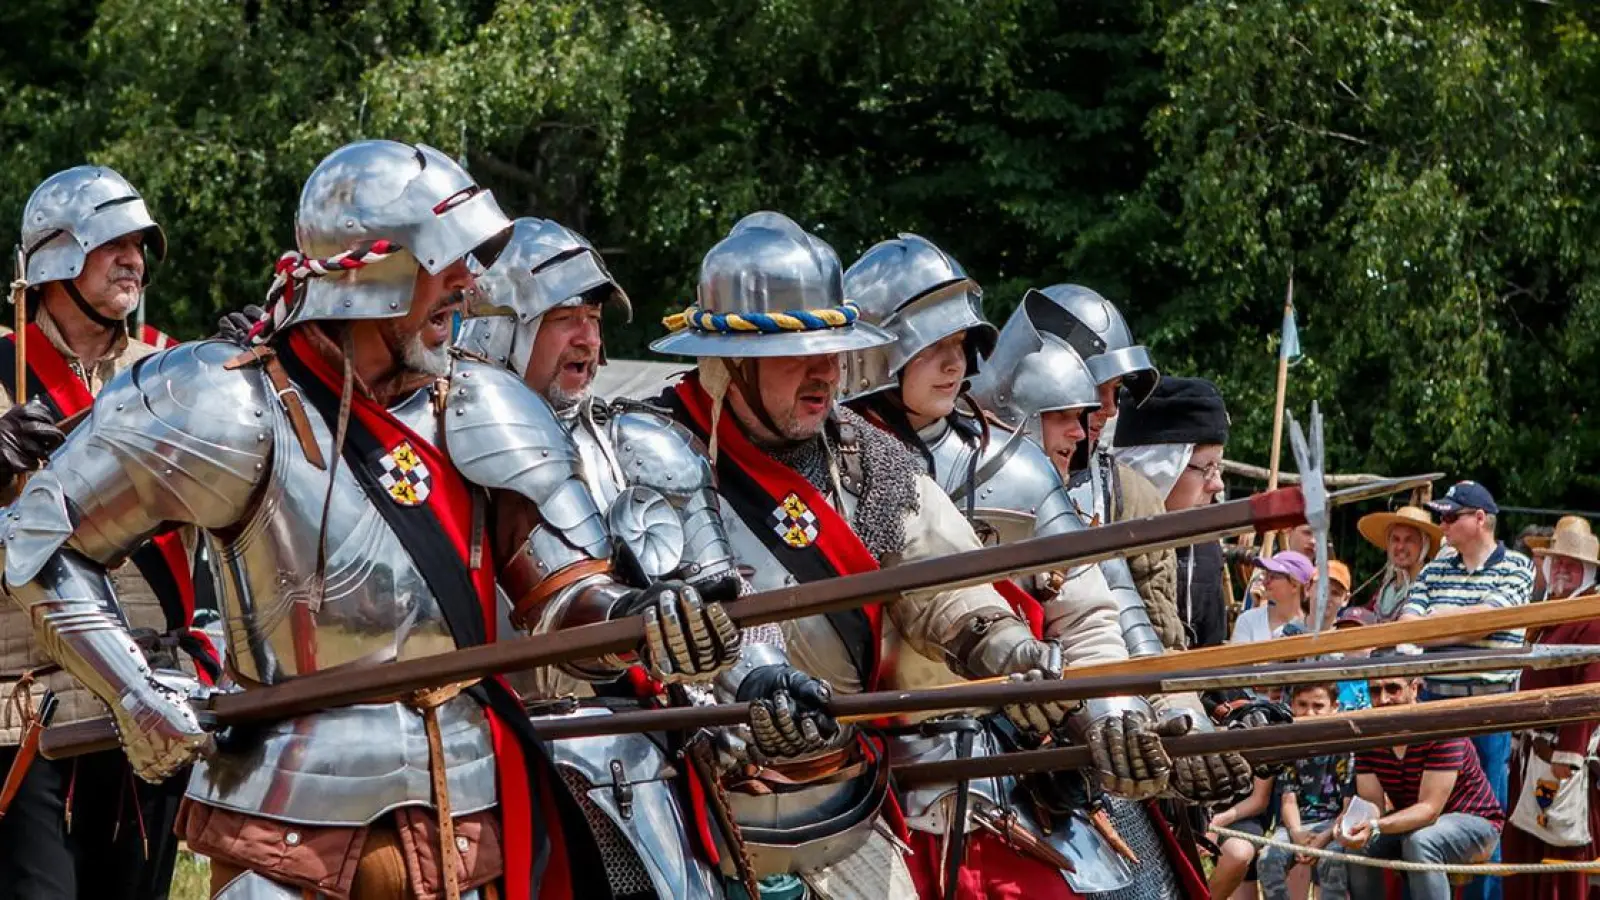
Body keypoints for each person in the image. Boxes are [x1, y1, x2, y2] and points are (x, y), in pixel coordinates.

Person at [0, 140, 745, 900]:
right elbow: (39, 538)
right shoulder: (226, 400)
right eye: (445, 261)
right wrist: (134, 691)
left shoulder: (486, 402)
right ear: (375, 275)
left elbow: (563, 594)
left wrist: (640, 617)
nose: (467, 283)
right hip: (286, 821)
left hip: (468, 811)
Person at [648, 212, 1199, 898]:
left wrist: (1012, 651)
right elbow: (643, 618)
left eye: (835, 350)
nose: (826, 373)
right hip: (689, 792)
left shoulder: (867, 459)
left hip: (839, 793)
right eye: (800, 354)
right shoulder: (652, 451)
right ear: (733, 359)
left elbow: (946, 585)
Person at [841, 234, 1242, 898]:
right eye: (934, 346)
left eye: (961, 345)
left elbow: (1092, 615)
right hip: (857, 774)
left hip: (1010, 768)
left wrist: (1125, 718)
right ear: (884, 352)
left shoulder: (1015, 467)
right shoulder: (830, 461)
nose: (956, 364)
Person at [459, 216, 835, 899]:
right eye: (563, 318)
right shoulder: (434, 451)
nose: (588, 338)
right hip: (483, 776)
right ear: (499, 327)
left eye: (594, 317)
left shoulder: (642, 445)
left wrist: (761, 680)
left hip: (640, 773)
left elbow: (719, 602)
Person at [0, 164, 223, 900]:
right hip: (27, 707)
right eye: (114, 244)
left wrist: (255, 373)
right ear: (57, 258)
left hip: (150, 693)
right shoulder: (0, 366)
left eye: (139, 246)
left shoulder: (172, 370)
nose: (134, 260)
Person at [971, 284, 1185, 652]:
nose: (1110, 409)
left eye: (1116, 390)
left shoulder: (1122, 492)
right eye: (1099, 389)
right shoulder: (958, 462)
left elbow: (1149, 637)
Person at [1401, 479, 1534, 897]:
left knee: (1484, 822)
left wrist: (1438, 624)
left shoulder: (1517, 566)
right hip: (1435, 707)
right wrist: (1464, 624)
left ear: (1480, 519)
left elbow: (1486, 622)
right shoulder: (1435, 568)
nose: (1442, 524)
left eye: (1450, 517)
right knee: (1425, 812)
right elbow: (1409, 626)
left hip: (1488, 710)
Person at [1340, 669, 1505, 900]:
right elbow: (1372, 804)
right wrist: (1352, 824)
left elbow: (1429, 809)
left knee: (1421, 841)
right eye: (1375, 691)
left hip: (1476, 824)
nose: (1383, 699)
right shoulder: (1368, 736)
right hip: (1415, 824)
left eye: (1393, 689)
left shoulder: (1441, 728)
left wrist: (1375, 825)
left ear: (1414, 688)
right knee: (1358, 845)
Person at [1503, 519, 1600, 899]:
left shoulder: (1592, 618)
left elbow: (1590, 690)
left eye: (1571, 565)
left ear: (1587, 571)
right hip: (1533, 750)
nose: (1561, 569)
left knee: (1562, 849)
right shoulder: (1553, 612)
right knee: (1527, 850)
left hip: (1559, 755)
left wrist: (1569, 756)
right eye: (1557, 561)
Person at [1109, 376, 1233, 648]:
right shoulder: (1103, 530)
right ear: (1159, 468)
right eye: (1206, 468)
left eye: (1218, 467)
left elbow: (1210, 646)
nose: (1217, 484)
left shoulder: (1205, 547)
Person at [1256, 682, 1352, 900]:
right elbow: (1288, 800)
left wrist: (1324, 838)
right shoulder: (1289, 747)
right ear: (1292, 705)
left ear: (1334, 707)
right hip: (1296, 823)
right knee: (1268, 859)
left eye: (1318, 706)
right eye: (1302, 705)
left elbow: (1348, 807)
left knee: (1332, 859)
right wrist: (1297, 833)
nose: (1309, 713)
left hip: (1334, 824)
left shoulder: (1346, 747)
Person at [1357, 505, 1442, 622]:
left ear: (1424, 545)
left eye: (1409, 540)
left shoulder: (1433, 588)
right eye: (1395, 539)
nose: (1400, 547)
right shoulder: (1384, 590)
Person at [1231, 551, 1314, 643]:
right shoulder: (1248, 620)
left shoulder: (1314, 626)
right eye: (1266, 574)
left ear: (1295, 585)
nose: (1265, 582)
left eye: (1273, 576)